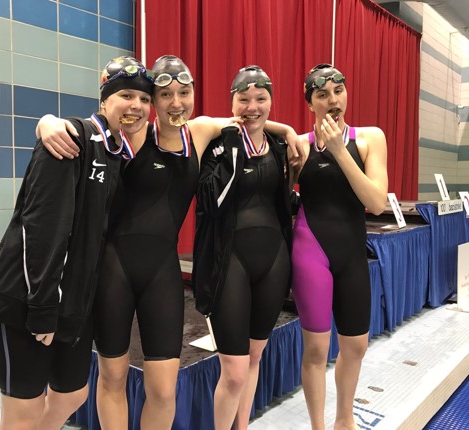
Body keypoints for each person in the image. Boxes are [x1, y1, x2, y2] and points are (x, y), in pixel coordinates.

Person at [37, 56, 300, 429]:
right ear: (152, 100)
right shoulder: (133, 134)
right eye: (165, 95)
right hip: (114, 269)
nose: (176, 103)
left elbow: (249, 119)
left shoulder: (202, 131)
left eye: (184, 92)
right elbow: (81, 128)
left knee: (164, 389)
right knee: (113, 378)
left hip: (163, 272)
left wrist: (287, 131)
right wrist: (45, 123)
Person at [0, 56, 153, 430]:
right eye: (126, 95)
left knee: (73, 394)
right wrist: (42, 307)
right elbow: (39, 229)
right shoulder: (70, 139)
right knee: (22, 413)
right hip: (24, 302)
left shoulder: (116, 153)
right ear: (104, 97)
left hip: (71, 304)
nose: (136, 106)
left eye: (144, 99)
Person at [192, 65, 293, 430]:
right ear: (231, 101)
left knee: (253, 358)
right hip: (228, 262)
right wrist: (233, 145)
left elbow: (285, 201)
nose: (252, 106)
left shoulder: (280, 146)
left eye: (261, 99)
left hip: (274, 260)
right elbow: (207, 200)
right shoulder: (216, 146)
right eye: (244, 99)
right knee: (233, 370)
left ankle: (242, 426)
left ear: (271, 102)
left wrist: (289, 130)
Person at [290, 63, 388, 430]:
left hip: (350, 253)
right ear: (310, 102)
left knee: (356, 346)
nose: (333, 100)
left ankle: (344, 419)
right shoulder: (298, 144)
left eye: (338, 91)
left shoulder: (369, 138)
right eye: (322, 94)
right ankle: (318, 426)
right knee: (315, 350)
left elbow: (376, 203)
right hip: (309, 250)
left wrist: (339, 151)